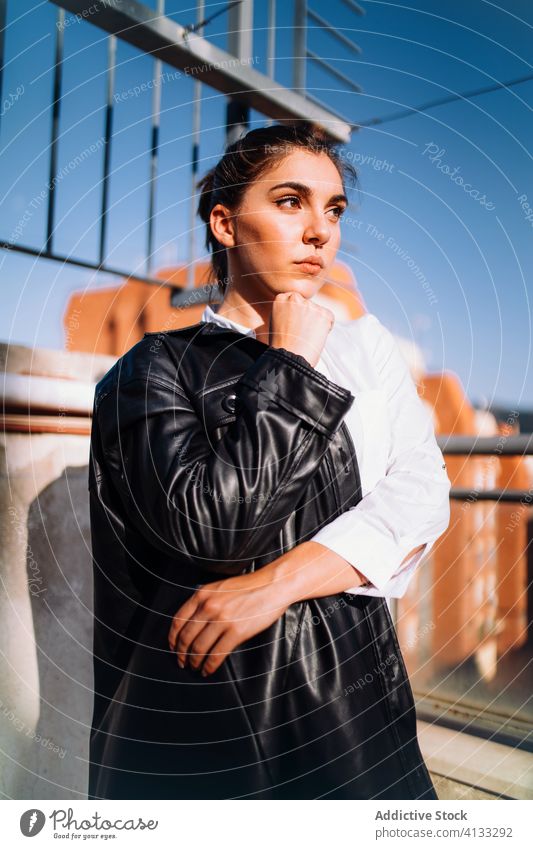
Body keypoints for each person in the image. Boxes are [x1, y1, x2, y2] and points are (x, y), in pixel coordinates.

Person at [87, 122, 451, 800]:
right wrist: (288, 365)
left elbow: (422, 494)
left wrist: (278, 582)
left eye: (333, 209)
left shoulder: (364, 349)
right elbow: (218, 529)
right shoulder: (153, 368)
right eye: (290, 201)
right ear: (225, 223)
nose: (320, 230)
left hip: (355, 707)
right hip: (212, 718)